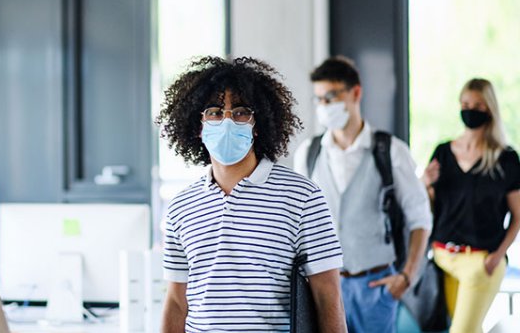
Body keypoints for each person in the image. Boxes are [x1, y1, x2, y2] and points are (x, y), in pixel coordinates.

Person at [157, 56, 346, 332]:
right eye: (215, 112)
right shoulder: (181, 207)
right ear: (198, 126)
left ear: (257, 124)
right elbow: (176, 301)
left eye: (241, 112)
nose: (227, 121)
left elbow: (328, 295)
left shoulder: (303, 197)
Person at [293, 56, 432, 333]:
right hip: (323, 286)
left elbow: (420, 218)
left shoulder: (390, 151)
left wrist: (406, 277)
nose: (324, 106)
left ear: (355, 92)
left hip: (376, 288)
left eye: (331, 96)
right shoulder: (308, 154)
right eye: (319, 99)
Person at [421, 78, 520, 332]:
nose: (470, 109)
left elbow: (518, 216)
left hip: (480, 262)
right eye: (465, 103)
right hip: (443, 257)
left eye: (477, 104)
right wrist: (425, 183)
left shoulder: (505, 159)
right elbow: (427, 206)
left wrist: (497, 257)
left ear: (489, 109)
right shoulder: (443, 152)